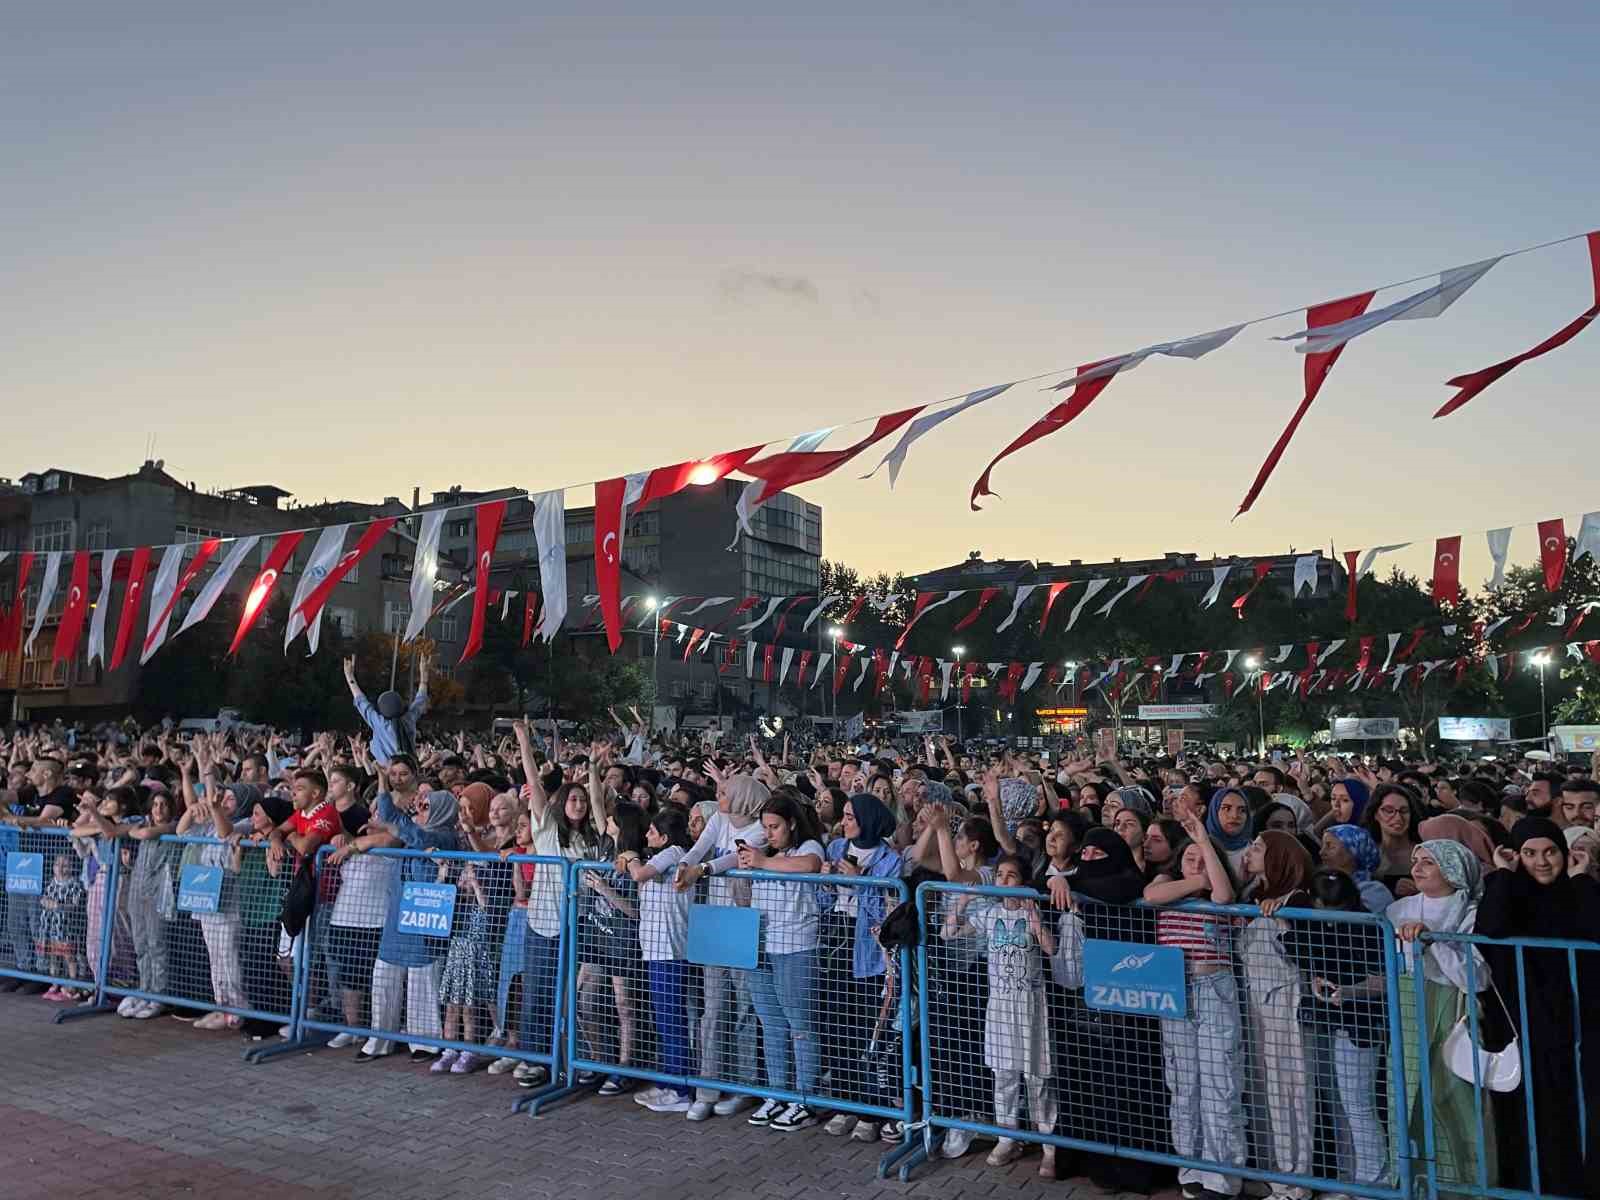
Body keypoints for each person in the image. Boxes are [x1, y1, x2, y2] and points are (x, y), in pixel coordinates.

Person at [1475, 816, 1600, 1196]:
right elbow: (1490, 931)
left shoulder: (1578, 892)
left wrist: (1580, 879)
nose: (1542, 862)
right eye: (1529, 853)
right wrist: (1503, 874)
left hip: (1580, 1024)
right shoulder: (1511, 893)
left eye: (1550, 852)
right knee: (1532, 1112)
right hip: (1525, 1023)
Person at [1145, 811, 1247, 1199]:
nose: (1197, 863)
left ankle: (1223, 1175)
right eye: (1189, 856)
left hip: (1215, 987)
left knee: (1219, 1082)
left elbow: (1222, 895)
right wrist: (1195, 879)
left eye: (1204, 859)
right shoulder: (1166, 884)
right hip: (1176, 990)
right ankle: (1190, 1165)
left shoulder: (1217, 890)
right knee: (1183, 1084)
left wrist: (1205, 842)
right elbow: (1153, 896)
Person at [1390, 840, 1497, 1196]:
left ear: (1452, 869)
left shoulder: (1471, 912)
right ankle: (1413, 1186)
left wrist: (1433, 943)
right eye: (1416, 860)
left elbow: (1477, 977)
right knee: (1406, 1101)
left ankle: (1467, 1188)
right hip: (1409, 1015)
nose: (1417, 867)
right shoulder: (1398, 910)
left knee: (1457, 1102)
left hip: (1453, 1015)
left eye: (1429, 863)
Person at [943, 853, 1058, 1176]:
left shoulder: (1033, 910)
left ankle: (1049, 1144)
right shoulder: (990, 914)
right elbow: (947, 932)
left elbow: (1050, 948)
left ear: (1023, 882)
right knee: (1004, 1074)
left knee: (1037, 1075)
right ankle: (1007, 1136)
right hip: (1000, 1005)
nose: (1004, 881)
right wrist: (964, 898)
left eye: (1012, 876)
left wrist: (1034, 918)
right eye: (1000, 875)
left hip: (1031, 1004)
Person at [670, 771, 768, 1120]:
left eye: (725, 791)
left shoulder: (760, 829)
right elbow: (700, 847)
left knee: (743, 1009)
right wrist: (685, 864)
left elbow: (732, 859)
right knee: (713, 1008)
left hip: (743, 921)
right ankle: (707, 1087)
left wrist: (703, 870)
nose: (719, 795)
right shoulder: (717, 819)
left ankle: (743, 1085)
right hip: (715, 921)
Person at [819, 793, 902, 1142]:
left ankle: (872, 1108)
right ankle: (844, 1102)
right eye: (844, 816)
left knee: (866, 1032)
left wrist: (859, 881)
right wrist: (824, 882)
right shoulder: (836, 847)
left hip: (868, 953)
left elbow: (886, 913)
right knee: (835, 1029)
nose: (845, 822)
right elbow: (823, 900)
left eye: (851, 816)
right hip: (834, 945)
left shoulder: (890, 860)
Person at [743, 794, 827, 1133]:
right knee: (771, 1023)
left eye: (775, 826)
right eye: (765, 827)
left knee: (800, 1024)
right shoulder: (765, 850)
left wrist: (762, 862)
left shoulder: (809, 847)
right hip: (760, 944)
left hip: (796, 947)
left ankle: (805, 1096)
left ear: (791, 823)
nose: (770, 833)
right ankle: (779, 1091)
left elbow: (809, 866)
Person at [1239, 831, 1315, 1200]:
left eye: (1258, 848)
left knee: (1290, 1091)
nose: (1251, 853)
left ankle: (1295, 1181)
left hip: (1286, 1003)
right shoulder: (1252, 897)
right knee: (1263, 1090)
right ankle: (1274, 1173)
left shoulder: (1296, 900)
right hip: (1257, 1005)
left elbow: (1306, 955)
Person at [363, 784, 459, 1061]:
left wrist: (394, 820)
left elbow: (407, 829)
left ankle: (425, 1043)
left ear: (443, 810)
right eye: (420, 804)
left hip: (425, 919)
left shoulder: (444, 837)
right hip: (397, 917)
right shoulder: (415, 837)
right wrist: (382, 784)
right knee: (383, 977)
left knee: (422, 983)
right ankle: (380, 1039)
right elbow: (395, 821)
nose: (420, 808)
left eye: (427, 806)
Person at [620, 807, 694, 1114]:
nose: (647, 836)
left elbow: (638, 873)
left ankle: (680, 1088)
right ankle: (668, 1081)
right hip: (655, 948)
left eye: (652, 832)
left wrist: (630, 856)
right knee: (664, 1019)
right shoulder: (663, 857)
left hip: (670, 950)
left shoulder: (675, 852)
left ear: (665, 836)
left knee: (672, 1019)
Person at [343, 654, 429, 766]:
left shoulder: (380, 723)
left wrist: (349, 676)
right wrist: (424, 679)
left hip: (385, 774)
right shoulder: (409, 720)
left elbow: (362, 702)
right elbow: (420, 700)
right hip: (409, 770)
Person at [36, 852, 88, 1000]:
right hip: (50, 926)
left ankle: (72, 984)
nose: (60, 868)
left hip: (65, 927)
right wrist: (44, 901)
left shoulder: (75, 884)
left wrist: (59, 906)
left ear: (71, 867)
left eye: (65, 865)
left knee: (68, 956)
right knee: (53, 955)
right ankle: (55, 983)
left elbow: (75, 905)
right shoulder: (51, 882)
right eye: (58, 864)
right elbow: (44, 897)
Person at [1364, 784, 1423, 897]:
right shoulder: (1366, 853)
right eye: (1388, 810)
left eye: (1404, 811)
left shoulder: (1426, 852)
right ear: (1375, 814)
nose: (1398, 818)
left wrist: (1421, 891)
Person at [1319, 825, 1392, 914]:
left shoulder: (1375, 891)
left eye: (1330, 846)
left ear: (1353, 851)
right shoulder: (1320, 885)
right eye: (1322, 846)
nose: (1321, 852)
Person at [1205, 787, 1252, 877]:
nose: (1234, 816)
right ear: (1214, 812)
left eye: (1242, 810)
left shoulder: (1256, 851)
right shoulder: (1200, 849)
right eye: (1226, 808)